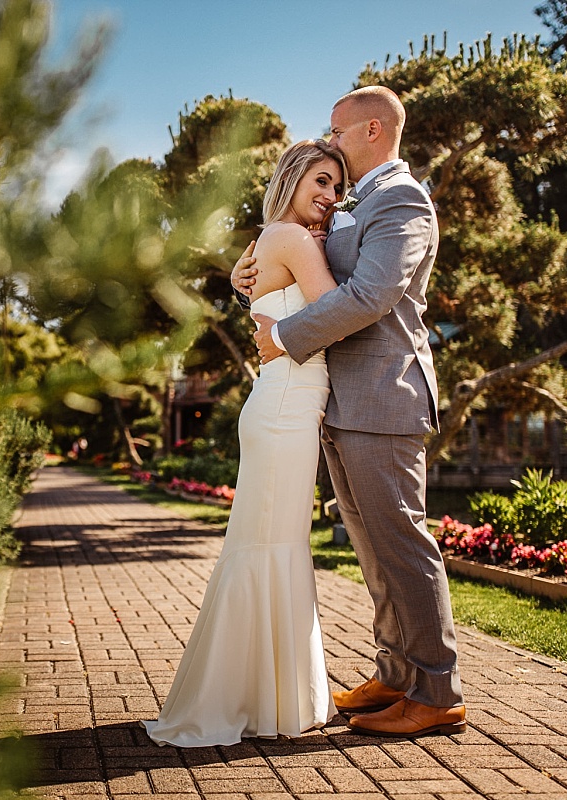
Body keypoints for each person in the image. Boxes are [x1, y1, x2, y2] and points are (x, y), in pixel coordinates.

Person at [233, 86, 466, 738]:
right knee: (372, 550)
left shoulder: (403, 200)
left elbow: (368, 295)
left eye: (337, 131)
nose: (329, 141)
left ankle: (436, 692)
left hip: (384, 399)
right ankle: (397, 676)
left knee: (401, 543)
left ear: (371, 129)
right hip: (342, 403)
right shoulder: (354, 206)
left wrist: (281, 338)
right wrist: (242, 274)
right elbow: (286, 253)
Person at [143, 139, 345, 746]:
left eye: (337, 186)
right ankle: (250, 699)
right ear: (291, 178)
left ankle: (264, 697)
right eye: (320, 181)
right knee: (271, 546)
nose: (330, 197)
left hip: (283, 405)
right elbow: (337, 307)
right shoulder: (291, 237)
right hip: (285, 406)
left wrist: (241, 288)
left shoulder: (271, 240)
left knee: (272, 544)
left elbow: (271, 303)